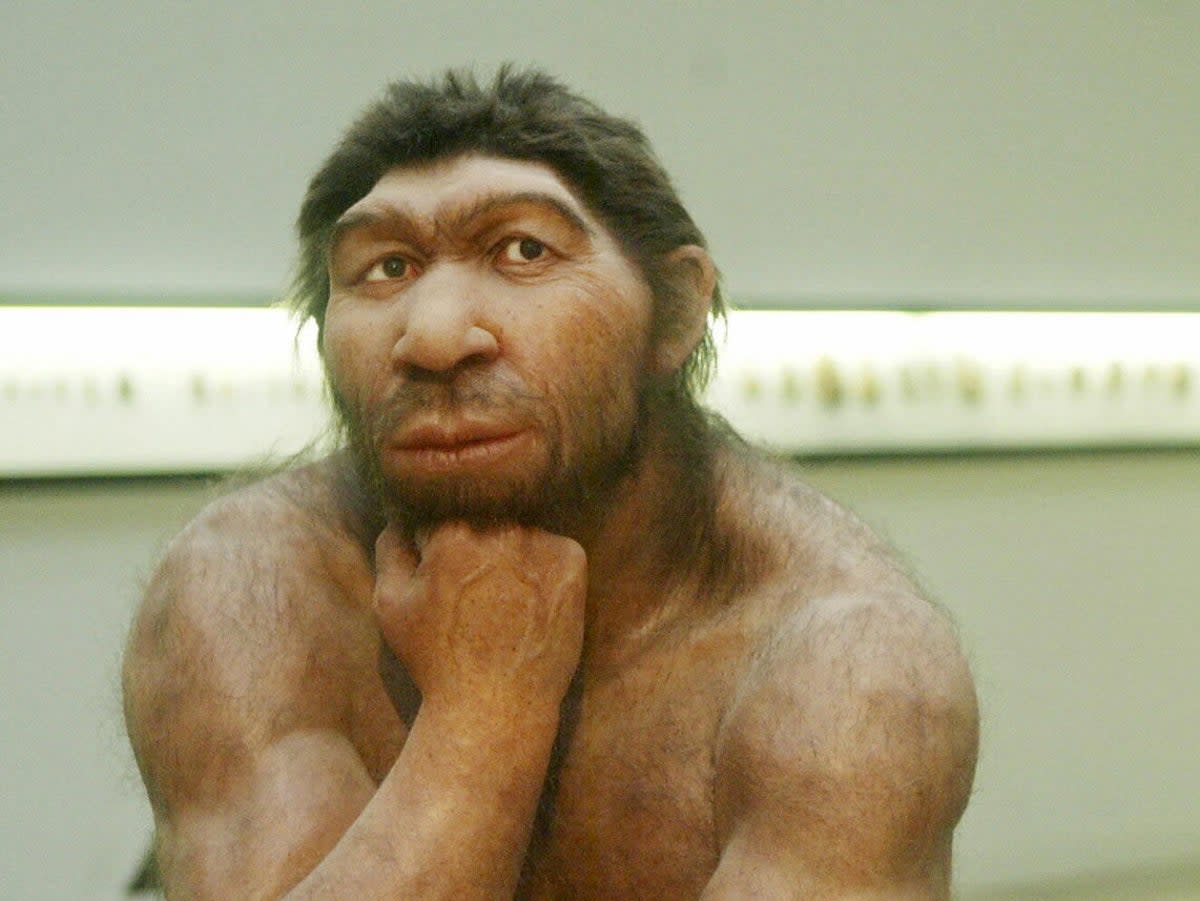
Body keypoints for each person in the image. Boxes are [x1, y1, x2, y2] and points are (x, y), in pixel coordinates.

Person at [122, 66, 979, 900]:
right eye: (385, 267)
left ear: (674, 312)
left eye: (523, 249)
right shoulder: (251, 586)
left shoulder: (849, 665)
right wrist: (482, 718)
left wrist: (483, 712)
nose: (434, 335)